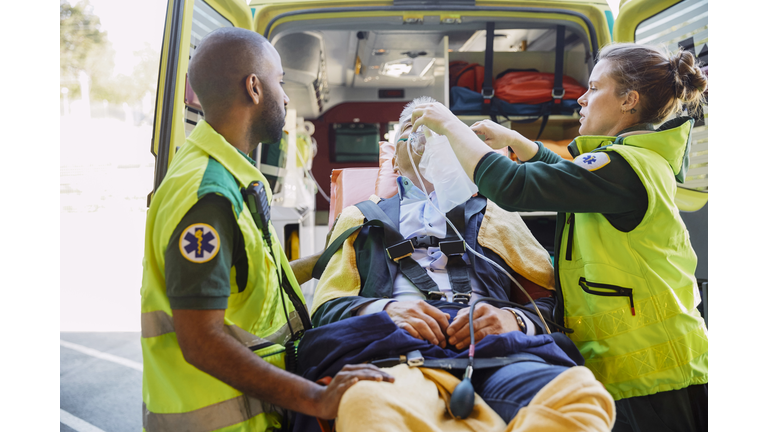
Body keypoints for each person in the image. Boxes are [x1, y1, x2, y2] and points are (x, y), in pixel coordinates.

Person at [409, 43, 708, 431]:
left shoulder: (625, 167)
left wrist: (449, 124)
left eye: (594, 89)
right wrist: (518, 142)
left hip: (656, 376)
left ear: (629, 100)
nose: (580, 100)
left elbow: (514, 187)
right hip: (642, 368)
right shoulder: (633, 159)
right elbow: (573, 175)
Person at [295, 96, 615, 431]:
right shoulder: (360, 218)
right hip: (399, 352)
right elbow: (328, 308)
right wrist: (387, 310)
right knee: (368, 406)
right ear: (392, 162)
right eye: (411, 129)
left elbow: (553, 302)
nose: (423, 135)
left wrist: (513, 319)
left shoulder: (495, 213)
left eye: (433, 127)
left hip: (499, 352)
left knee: (581, 397)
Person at [139, 27, 393, 432]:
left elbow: (253, 285)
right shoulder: (209, 196)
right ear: (254, 88)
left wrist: (330, 257)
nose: (287, 96)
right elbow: (200, 340)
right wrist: (316, 399)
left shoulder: (227, 175)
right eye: (280, 82)